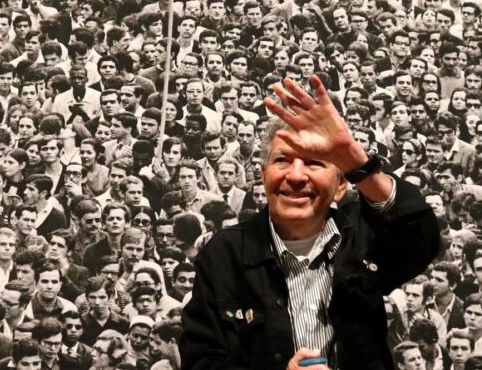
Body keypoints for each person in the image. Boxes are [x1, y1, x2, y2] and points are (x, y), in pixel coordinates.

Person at [180, 76, 440, 369]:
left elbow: (422, 238)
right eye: (283, 161)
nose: (296, 175)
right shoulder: (223, 254)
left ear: (341, 184)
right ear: (263, 177)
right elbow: (200, 361)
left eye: (314, 162)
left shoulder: (365, 238)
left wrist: (357, 160)